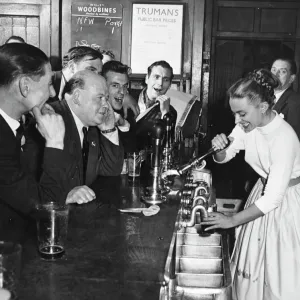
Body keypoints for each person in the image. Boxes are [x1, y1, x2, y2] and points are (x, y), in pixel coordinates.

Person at [201, 69, 300, 300]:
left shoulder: (284, 138)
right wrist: (220, 148)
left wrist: (231, 220)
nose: (237, 120)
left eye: (242, 113)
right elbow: (225, 157)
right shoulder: (247, 125)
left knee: (279, 278)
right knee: (251, 273)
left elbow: (274, 198)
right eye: (234, 113)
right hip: (261, 194)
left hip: (286, 203)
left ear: (263, 107)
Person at [0, 43, 94, 241]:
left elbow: (27, 191)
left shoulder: (16, 125)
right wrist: (54, 142)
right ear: (25, 86)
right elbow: (46, 207)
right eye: (48, 84)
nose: (52, 93)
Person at [50, 70, 124, 187]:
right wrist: (65, 195)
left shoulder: (90, 125)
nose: (106, 105)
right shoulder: (52, 119)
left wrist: (108, 129)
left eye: (106, 98)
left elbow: (111, 171)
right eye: (100, 97)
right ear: (77, 97)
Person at [52, 46, 139, 118]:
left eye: (99, 73)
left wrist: (124, 95)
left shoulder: (86, 87)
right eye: (91, 70)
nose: (96, 77)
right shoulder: (48, 81)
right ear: (71, 67)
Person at [136, 60, 177, 149]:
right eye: (156, 77)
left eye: (166, 80)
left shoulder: (171, 112)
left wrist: (165, 114)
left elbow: (167, 146)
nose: (160, 83)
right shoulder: (130, 99)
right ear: (147, 78)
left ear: (170, 84)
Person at [102, 60, 136, 152]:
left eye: (125, 86)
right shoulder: (94, 114)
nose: (122, 92)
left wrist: (123, 124)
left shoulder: (127, 112)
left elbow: (131, 151)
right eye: (115, 85)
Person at [271, 57, 300, 139]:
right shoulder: (262, 96)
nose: (275, 75)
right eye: (273, 70)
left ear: (291, 78)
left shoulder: (296, 102)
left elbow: (294, 138)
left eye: (282, 71)